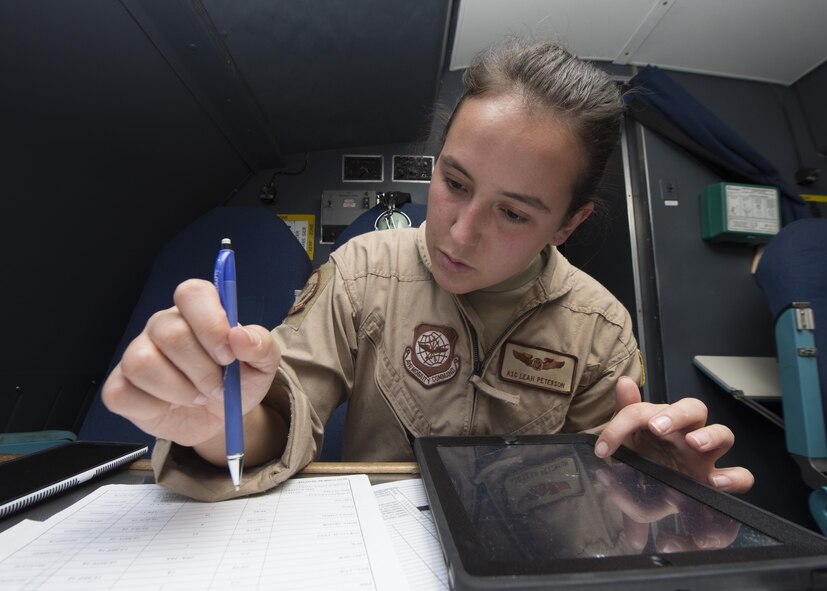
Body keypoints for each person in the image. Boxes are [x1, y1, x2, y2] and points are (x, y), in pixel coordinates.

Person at [102, 38, 754, 502]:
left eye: (513, 214)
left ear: (566, 225)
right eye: (454, 180)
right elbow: (286, 402)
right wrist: (222, 421)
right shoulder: (364, 269)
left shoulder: (601, 329)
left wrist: (642, 486)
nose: (459, 233)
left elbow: (598, 494)